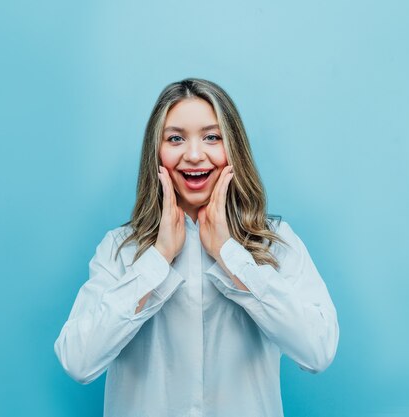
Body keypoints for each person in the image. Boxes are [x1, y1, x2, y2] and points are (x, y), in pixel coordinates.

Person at [54, 78, 340, 417]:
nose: (193, 155)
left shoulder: (275, 242)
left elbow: (318, 351)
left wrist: (232, 257)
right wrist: (157, 261)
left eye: (212, 137)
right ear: (156, 153)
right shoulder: (120, 249)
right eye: (175, 138)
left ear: (233, 147)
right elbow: (78, 361)